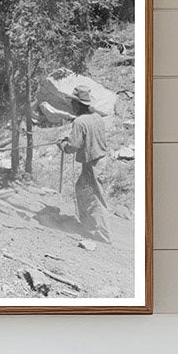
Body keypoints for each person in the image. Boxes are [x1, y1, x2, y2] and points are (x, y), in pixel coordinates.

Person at [59, 84, 112, 244]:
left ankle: (103, 235)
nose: (71, 105)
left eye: (73, 102)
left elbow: (73, 146)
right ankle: (87, 225)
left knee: (95, 196)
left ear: (78, 104)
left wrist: (63, 145)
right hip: (97, 161)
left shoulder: (80, 121)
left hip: (93, 164)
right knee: (81, 189)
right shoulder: (96, 117)